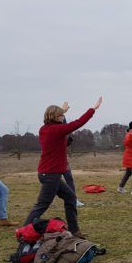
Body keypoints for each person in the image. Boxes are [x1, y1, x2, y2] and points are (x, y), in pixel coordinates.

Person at [24, 97, 102, 237]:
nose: (63, 117)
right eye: (61, 115)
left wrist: (62, 111)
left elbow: (60, 139)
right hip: (51, 175)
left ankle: (74, 231)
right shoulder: (56, 130)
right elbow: (77, 123)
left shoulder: (45, 129)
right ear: (54, 117)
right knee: (42, 205)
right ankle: (24, 232)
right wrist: (93, 109)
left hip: (47, 173)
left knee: (70, 198)